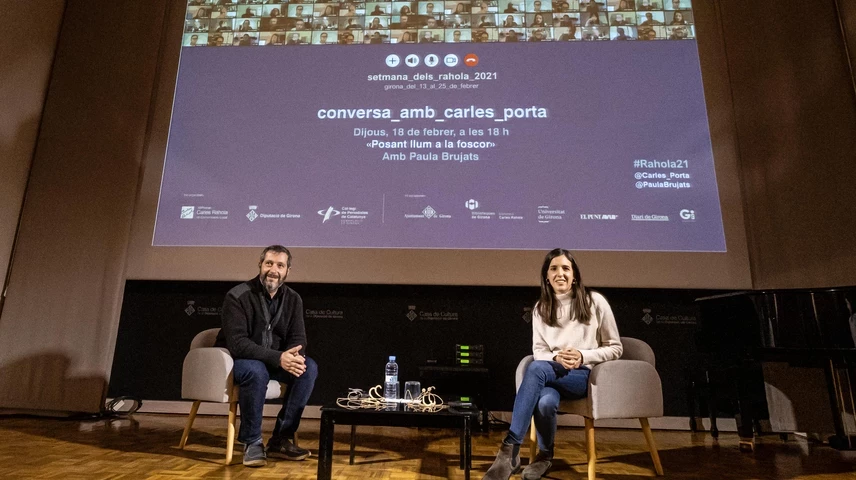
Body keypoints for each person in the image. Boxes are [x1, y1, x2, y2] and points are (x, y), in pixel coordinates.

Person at [482, 249, 622, 480]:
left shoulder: (594, 301)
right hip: (552, 373)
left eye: (566, 268)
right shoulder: (541, 308)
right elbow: (540, 351)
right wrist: (556, 358)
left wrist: (582, 355)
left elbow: (615, 348)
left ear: (575, 275)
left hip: (583, 376)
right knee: (546, 403)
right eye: (554, 268)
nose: (560, 273)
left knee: (536, 369)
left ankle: (510, 450)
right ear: (546, 276)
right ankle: (545, 457)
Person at [215, 246, 318, 467]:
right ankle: (252, 442)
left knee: (308, 368)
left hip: (275, 360)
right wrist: (278, 357)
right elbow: (238, 344)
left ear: (288, 271)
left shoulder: (293, 299)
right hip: (240, 361)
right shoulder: (237, 296)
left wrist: (292, 357)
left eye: (280, 265)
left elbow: (298, 338)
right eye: (269, 263)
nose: (274, 269)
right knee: (255, 370)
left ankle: (281, 438)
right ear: (260, 265)